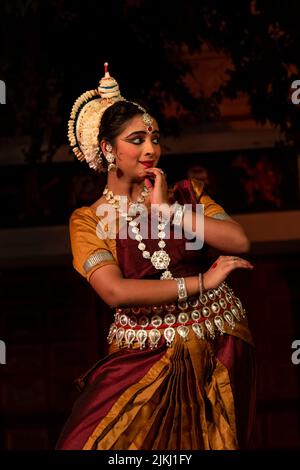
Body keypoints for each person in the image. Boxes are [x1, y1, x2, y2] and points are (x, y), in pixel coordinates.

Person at [56, 63, 256, 450]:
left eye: (155, 139)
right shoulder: (88, 220)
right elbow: (114, 291)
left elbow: (238, 240)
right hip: (141, 352)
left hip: (216, 344)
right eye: (136, 140)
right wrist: (201, 282)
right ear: (107, 149)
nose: (151, 149)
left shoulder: (186, 194)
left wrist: (169, 212)